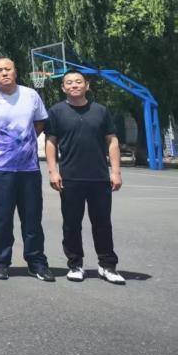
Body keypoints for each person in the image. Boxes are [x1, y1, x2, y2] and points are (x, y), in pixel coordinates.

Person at [45, 70, 125, 285]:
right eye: (69, 82)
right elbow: (51, 142)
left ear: (86, 85)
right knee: (72, 224)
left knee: (102, 223)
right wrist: (53, 170)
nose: (74, 85)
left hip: (99, 177)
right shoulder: (56, 111)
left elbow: (112, 141)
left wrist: (116, 172)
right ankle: (75, 265)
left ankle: (107, 265)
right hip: (70, 177)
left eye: (78, 82)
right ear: (63, 87)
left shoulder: (100, 111)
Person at [0, 57, 53, 282]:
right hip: (0, 168)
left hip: (29, 168)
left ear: (15, 71)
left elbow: (40, 122)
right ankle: (0, 262)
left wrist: (23, 143)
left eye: (8, 69)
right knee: (1, 218)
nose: (4, 73)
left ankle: (37, 262)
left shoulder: (31, 95)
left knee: (32, 217)